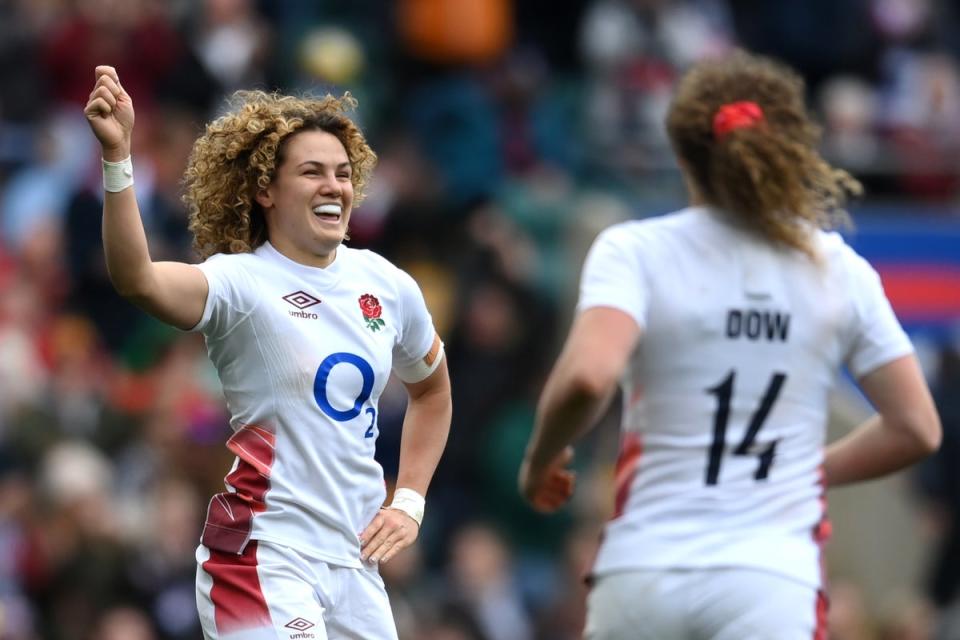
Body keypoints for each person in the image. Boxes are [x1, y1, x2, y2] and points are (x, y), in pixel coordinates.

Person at [518, 51, 942, 639]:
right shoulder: (836, 269)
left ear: (684, 153)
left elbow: (588, 377)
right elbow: (917, 427)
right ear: (792, 144)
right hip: (772, 580)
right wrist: (808, 471)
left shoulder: (635, 250)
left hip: (645, 569)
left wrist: (541, 460)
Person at [84, 65, 452, 639]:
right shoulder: (241, 283)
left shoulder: (387, 285)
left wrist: (409, 500)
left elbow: (432, 390)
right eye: (311, 172)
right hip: (262, 555)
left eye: (342, 173)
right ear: (265, 190)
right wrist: (118, 159)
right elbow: (138, 280)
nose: (334, 186)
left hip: (355, 565)